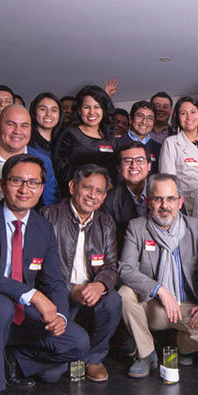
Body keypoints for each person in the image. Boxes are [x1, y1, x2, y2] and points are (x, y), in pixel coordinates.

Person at [0, 154, 88, 395]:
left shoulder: (43, 228)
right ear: (2, 183)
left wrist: (60, 315)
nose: (24, 189)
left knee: (77, 343)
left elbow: (54, 281)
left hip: (22, 314)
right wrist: (32, 294)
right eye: (16, 181)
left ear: (42, 189)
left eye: (33, 183)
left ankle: (11, 360)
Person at [119, 173, 198, 377]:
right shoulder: (137, 227)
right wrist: (159, 289)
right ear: (148, 202)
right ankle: (146, 354)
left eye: (171, 199)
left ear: (180, 202)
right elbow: (125, 268)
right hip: (153, 305)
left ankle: (180, 345)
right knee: (124, 294)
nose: (164, 205)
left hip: (188, 307)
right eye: (158, 199)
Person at [42, 164, 121, 382]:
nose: (92, 195)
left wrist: (100, 285)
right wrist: (70, 289)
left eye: (99, 191)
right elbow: (40, 269)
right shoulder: (48, 216)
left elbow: (111, 266)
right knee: (51, 375)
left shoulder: (106, 222)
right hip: (57, 293)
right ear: (72, 187)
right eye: (87, 188)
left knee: (113, 300)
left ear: (104, 197)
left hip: (91, 292)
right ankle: (68, 357)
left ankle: (94, 358)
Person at [51, 85, 117, 195]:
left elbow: (113, 170)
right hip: (75, 194)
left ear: (104, 110)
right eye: (86, 107)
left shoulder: (109, 137)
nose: (92, 112)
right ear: (79, 110)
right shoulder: (70, 133)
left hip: (104, 195)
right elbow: (59, 168)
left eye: (97, 107)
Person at [159, 96, 198, 218]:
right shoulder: (171, 142)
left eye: (193, 112)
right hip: (187, 203)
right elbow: (168, 180)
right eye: (183, 113)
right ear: (177, 117)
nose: (189, 117)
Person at [103, 142, 151, 243]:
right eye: (127, 161)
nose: (133, 166)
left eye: (139, 160)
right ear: (119, 168)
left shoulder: (164, 191)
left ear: (149, 166)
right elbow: (108, 239)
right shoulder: (110, 199)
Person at [116, 101, 161, 171]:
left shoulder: (159, 148)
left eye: (150, 118)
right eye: (140, 116)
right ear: (130, 119)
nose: (144, 122)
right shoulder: (115, 143)